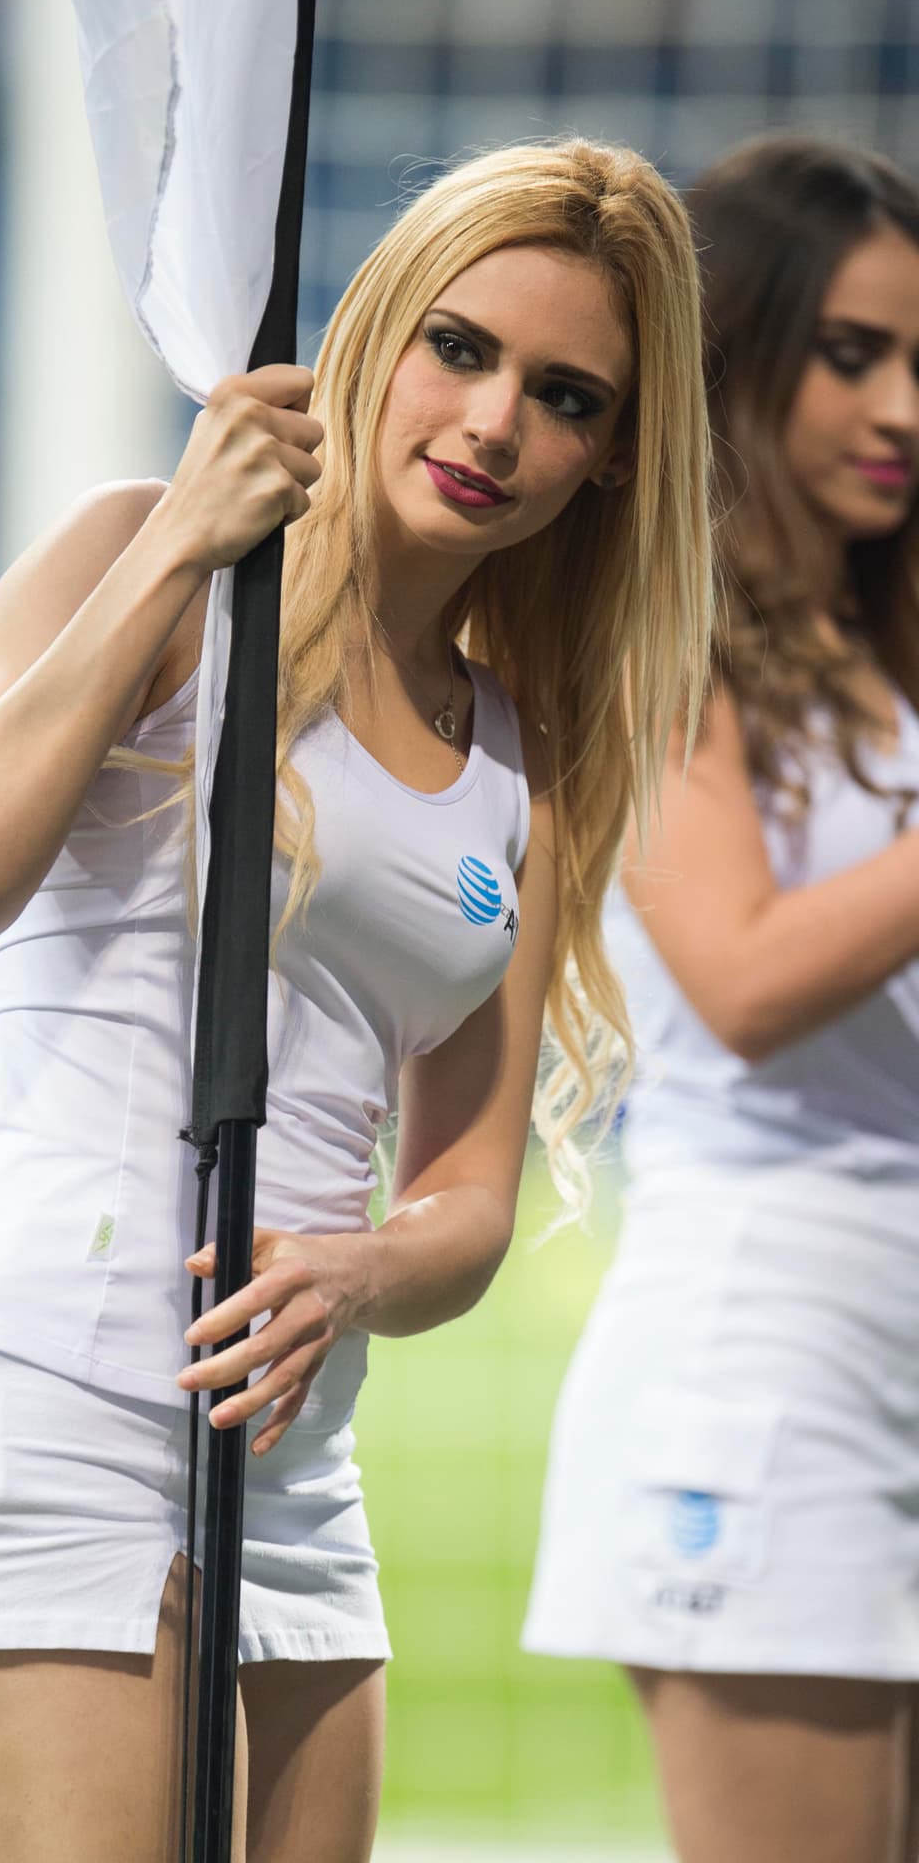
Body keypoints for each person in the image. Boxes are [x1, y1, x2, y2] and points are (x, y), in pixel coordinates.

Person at [0, 136, 711, 1863]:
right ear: (379, 337)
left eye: (566, 398)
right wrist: (181, 542)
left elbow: (466, 1185)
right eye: (459, 350)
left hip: (296, 1456)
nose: (490, 428)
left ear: (613, 461)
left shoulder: (524, 750)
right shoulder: (144, 559)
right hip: (45, 1385)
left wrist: (363, 1268)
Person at [523, 134, 919, 1863]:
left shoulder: (877, 659)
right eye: (853, 352)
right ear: (742, 356)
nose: (903, 402)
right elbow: (747, 981)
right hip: (769, 1347)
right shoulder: (662, 640)